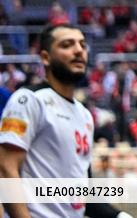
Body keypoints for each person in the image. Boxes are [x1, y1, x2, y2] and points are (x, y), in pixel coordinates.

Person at [0, 24, 130, 218]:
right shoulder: (29, 100)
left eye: (82, 45)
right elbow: (5, 169)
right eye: (67, 45)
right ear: (45, 57)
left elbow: (84, 194)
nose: (78, 50)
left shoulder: (84, 115)